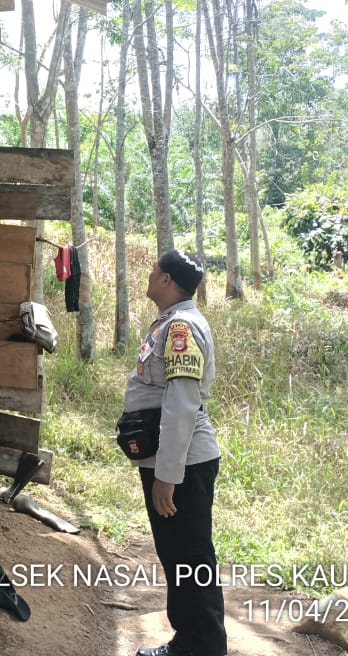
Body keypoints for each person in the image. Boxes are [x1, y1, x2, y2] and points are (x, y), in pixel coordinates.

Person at [123, 250, 226, 656]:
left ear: (166, 280)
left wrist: (168, 475)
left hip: (182, 461)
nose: (148, 276)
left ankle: (201, 647)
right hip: (171, 457)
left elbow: (182, 403)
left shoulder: (180, 327)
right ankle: (190, 643)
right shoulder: (170, 321)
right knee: (178, 554)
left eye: (153, 271)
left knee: (189, 556)